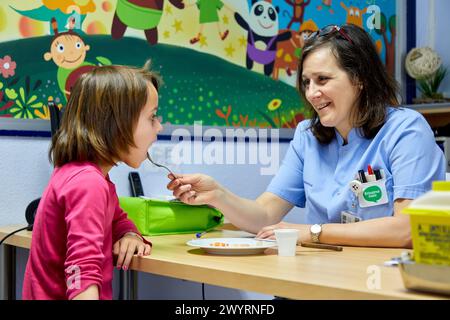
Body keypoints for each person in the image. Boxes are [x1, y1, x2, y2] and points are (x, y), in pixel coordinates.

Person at [167, 24, 446, 248]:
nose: (312, 93)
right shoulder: (307, 136)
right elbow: (265, 214)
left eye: (323, 80)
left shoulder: (406, 130)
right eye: (306, 82)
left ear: (359, 78)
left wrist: (311, 232)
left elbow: (407, 229)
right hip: (320, 275)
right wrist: (217, 194)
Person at [23, 63, 163, 300]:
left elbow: (117, 219)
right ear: (116, 124)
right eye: (151, 117)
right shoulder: (88, 183)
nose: (159, 126)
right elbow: (82, 273)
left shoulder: (84, 174)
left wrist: (130, 235)